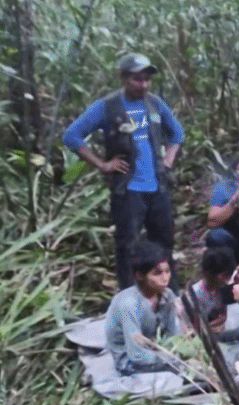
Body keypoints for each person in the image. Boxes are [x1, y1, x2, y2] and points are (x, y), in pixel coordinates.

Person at [63, 53, 183, 291]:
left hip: (157, 187)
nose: (144, 84)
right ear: (122, 78)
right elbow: (72, 136)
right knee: (127, 246)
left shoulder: (155, 104)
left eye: (147, 79)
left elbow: (177, 133)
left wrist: (168, 160)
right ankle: (130, 298)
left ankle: (170, 294)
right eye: (137, 79)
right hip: (128, 190)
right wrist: (102, 164)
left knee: (164, 242)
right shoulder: (107, 106)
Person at [105, 240, 179, 375]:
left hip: (159, 351)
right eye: (157, 273)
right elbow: (136, 354)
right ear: (139, 275)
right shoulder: (129, 304)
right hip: (129, 360)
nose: (165, 278)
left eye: (167, 271)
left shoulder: (168, 295)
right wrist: (170, 359)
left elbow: (173, 334)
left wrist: (176, 350)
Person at [189, 247, 239, 343]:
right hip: (209, 337)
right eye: (223, 276)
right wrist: (209, 328)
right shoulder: (196, 295)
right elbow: (192, 330)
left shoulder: (224, 287)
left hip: (224, 327)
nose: (225, 280)